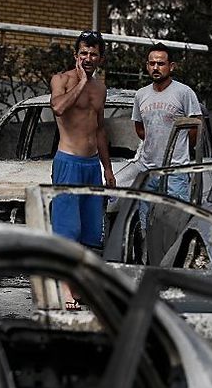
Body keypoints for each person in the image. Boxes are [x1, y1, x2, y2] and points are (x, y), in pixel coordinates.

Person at [49, 31, 116, 308]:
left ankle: (76, 286)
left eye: (94, 54)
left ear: (100, 57)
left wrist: (108, 170)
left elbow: (100, 129)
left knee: (90, 232)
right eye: (84, 53)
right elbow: (58, 108)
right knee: (68, 230)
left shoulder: (101, 88)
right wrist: (81, 84)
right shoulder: (61, 80)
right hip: (68, 163)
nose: (88, 58)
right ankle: (64, 288)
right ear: (76, 55)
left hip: (91, 166)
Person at [130, 42, 203, 229]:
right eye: (152, 63)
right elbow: (140, 128)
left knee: (176, 225)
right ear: (147, 66)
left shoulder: (184, 93)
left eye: (161, 63)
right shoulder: (141, 95)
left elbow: (196, 126)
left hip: (175, 172)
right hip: (148, 171)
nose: (156, 67)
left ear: (171, 66)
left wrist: (181, 148)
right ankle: (147, 258)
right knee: (146, 224)